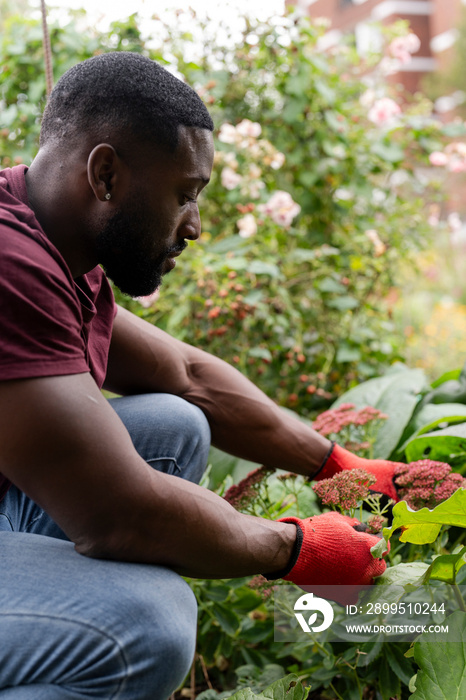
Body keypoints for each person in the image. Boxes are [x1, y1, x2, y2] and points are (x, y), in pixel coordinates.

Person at [0, 52, 400, 700]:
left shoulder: (56, 245)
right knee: (145, 622)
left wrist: (337, 465)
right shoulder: (8, 268)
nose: (195, 225)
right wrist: (298, 548)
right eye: (184, 193)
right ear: (105, 174)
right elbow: (119, 516)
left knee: (173, 424)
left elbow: (187, 374)